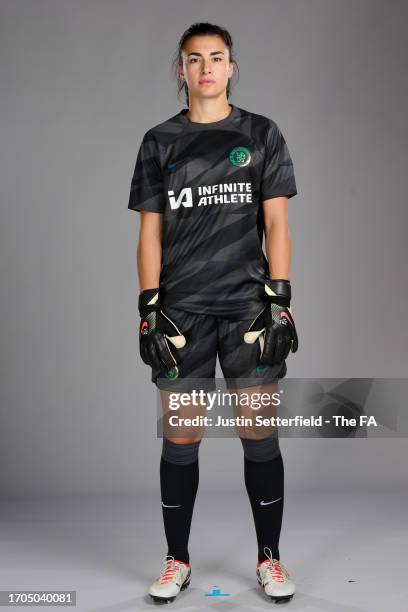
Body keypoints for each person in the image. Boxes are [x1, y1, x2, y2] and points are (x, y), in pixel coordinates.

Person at [128, 22, 299, 605]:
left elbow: (276, 223)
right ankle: (177, 559)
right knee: (181, 438)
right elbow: (149, 233)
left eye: (217, 57)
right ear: (181, 70)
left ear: (231, 67)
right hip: (183, 314)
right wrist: (149, 311)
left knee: (259, 433)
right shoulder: (159, 142)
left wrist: (281, 300)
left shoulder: (261, 133)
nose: (206, 67)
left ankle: (270, 560)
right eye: (194, 58)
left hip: (248, 309)